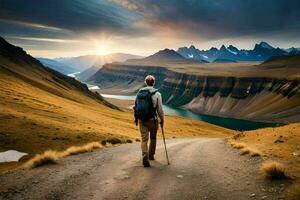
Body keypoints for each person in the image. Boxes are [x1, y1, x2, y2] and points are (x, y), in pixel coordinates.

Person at [134, 75, 164, 167]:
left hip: (142, 120)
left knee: (144, 139)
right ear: (153, 83)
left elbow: (135, 105)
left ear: (145, 82)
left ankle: (144, 154)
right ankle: (151, 155)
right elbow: (160, 110)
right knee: (153, 138)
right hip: (153, 120)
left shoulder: (140, 92)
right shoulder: (157, 94)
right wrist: (162, 120)